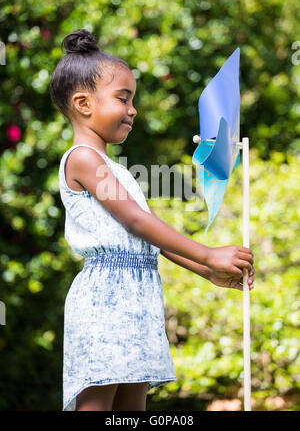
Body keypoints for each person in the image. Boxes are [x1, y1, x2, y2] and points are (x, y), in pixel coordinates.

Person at [49, 29, 255, 412]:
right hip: (105, 300)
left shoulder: (114, 168)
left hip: (139, 297)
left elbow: (149, 236)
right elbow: (137, 223)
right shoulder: (83, 160)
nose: (133, 110)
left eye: (133, 100)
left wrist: (204, 270)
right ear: (83, 103)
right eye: (122, 98)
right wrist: (209, 254)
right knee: (97, 403)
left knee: (133, 409)